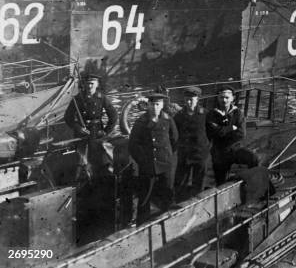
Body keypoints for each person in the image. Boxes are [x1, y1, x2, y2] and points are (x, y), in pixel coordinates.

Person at [128, 92, 178, 224]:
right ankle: (142, 224)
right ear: (148, 106)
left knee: (167, 193)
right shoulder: (141, 122)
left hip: (165, 164)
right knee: (145, 197)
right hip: (148, 166)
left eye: (157, 104)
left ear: (162, 105)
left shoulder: (168, 119)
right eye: (152, 104)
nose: (155, 107)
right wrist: (143, 162)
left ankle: (167, 222)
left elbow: (175, 140)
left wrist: (167, 156)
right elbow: (133, 145)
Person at [64, 74, 118, 176]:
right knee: (80, 159)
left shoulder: (102, 98)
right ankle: (80, 180)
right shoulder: (78, 99)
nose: (89, 86)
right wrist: (77, 127)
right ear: (84, 84)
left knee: (98, 159)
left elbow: (114, 117)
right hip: (81, 134)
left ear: (97, 84)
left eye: (92, 84)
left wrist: (105, 131)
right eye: (87, 83)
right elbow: (68, 117)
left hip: (97, 133)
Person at [206, 86, 258, 185]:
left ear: (232, 98)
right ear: (218, 98)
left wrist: (222, 131)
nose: (224, 100)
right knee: (221, 182)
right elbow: (213, 133)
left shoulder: (237, 113)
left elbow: (241, 134)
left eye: (227, 97)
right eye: (221, 97)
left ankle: (253, 184)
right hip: (219, 151)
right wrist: (231, 128)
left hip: (235, 149)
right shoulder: (212, 114)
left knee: (253, 158)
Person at [174, 87, 209, 198]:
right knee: (181, 182)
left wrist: (205, 148)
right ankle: (180, 204)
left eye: (192, 99)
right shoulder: (179, 116)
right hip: (184, 155)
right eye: (187, 99)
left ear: (197, 99)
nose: (189, 102)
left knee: (199, 182)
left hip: (200, 154)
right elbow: (174, 134)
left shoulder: (205, 115)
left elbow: (211, 132)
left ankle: (198, 203)